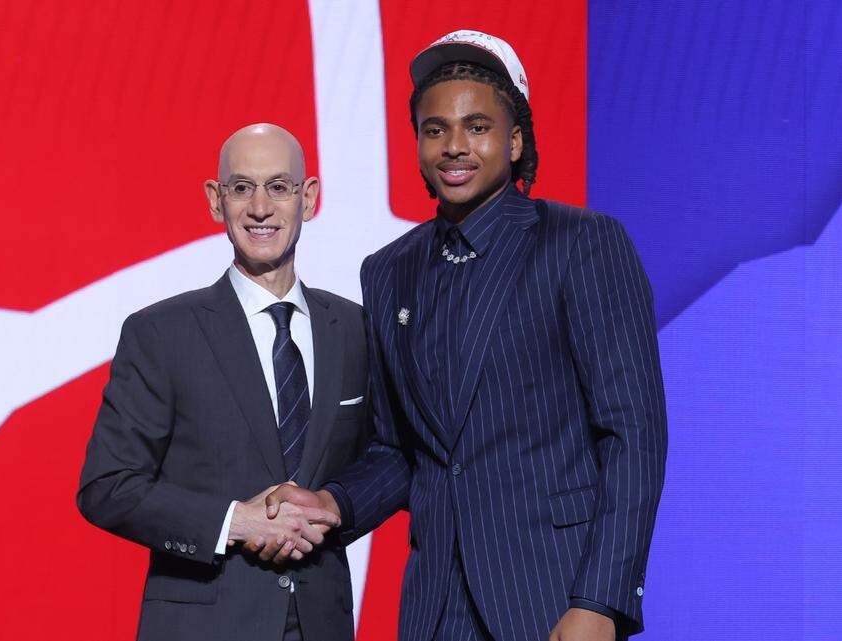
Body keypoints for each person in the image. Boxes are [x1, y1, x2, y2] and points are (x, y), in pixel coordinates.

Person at [262, 31, 667, 641]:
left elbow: (633, 435)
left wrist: (602, 601)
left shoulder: (582, 245)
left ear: (515, 138)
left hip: (555, 600)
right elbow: (402, 451)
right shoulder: (389, 270)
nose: (454, 146)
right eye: (434, 130)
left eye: (477, 126)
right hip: (434, 607)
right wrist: (337, 504)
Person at [77, 123, 372, 641]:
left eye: (279, 186)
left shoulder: (353, 329)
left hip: (323, 621)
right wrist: (236, 522)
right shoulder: (160, 333)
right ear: (217, 201)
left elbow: (387, 460)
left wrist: (333, 508)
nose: (260, 207)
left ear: (309, 198)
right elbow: (108, 487)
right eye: (242, 187)